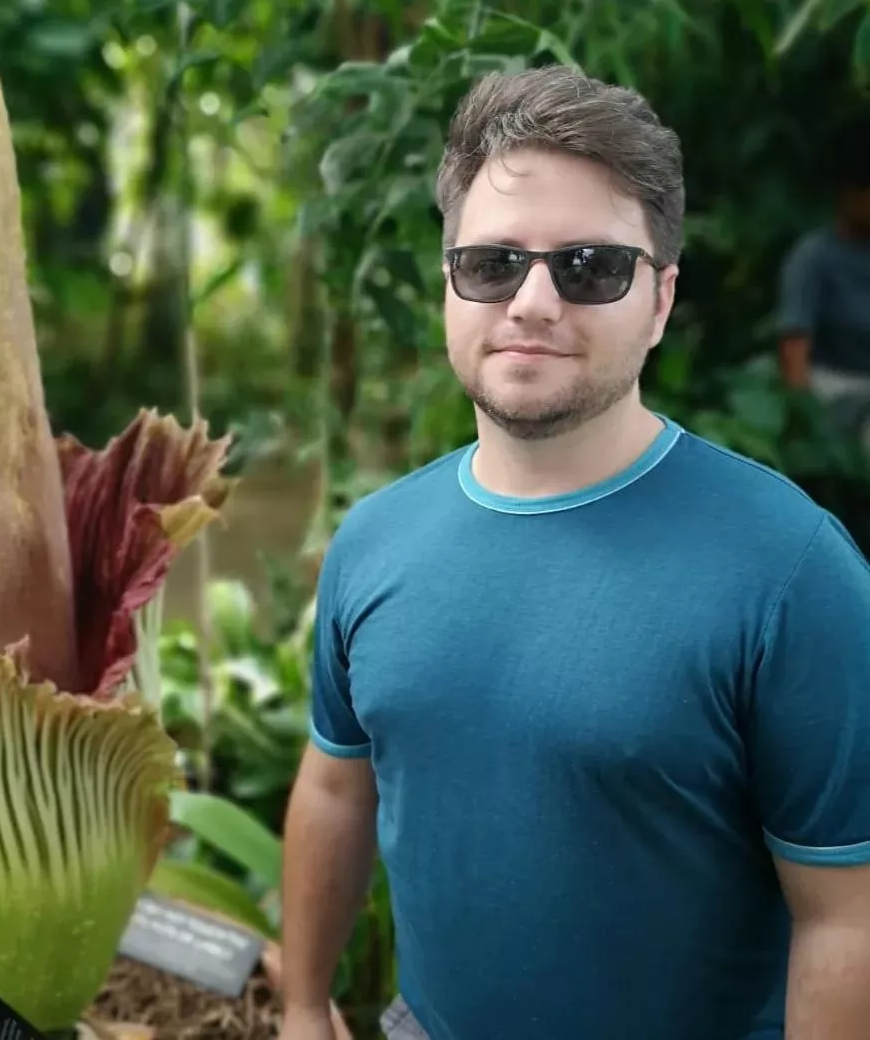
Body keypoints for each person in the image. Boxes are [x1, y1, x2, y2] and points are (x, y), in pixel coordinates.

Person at [279, 65, 870, 1040]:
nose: (531, 302)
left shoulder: (792, 572)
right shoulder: (372, 539)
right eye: (491, 264)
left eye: (588, 266)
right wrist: (303, 1003)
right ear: (448, 286)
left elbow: (844, 912)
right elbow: (336, 781)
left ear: (660, 298)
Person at [777, 132, 870, 448]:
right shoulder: (814, 256)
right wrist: (806, 424)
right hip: (835, 385)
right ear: (849, 195)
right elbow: (794, 344)